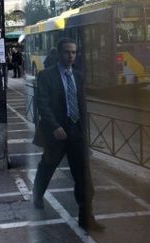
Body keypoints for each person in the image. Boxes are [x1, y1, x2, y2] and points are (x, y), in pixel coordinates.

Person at [33, 38, 104, 232]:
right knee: (47, 167)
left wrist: (84, 132)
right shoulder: (46, 76)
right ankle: (37, 194)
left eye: (73, 53)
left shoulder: (79, 76)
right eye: (67, 52)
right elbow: (43, 104)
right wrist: (54, 126)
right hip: (56, 134)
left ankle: (86, 218)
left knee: (84, 179)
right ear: (59, 53)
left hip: (76, 134)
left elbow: (81, 105)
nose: (71, 56)